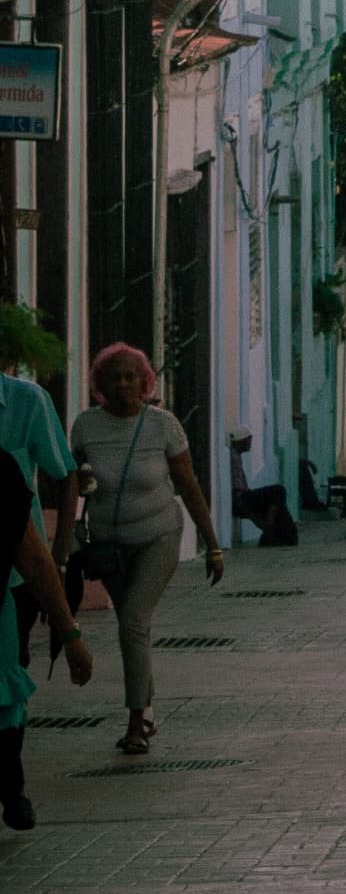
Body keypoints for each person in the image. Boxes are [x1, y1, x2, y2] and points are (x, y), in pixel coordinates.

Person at [71, 344, 223, 757]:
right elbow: (70, 481)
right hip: (108, 545)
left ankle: (137, 722)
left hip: (158, 536)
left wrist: (213, 546)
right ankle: (148, 709)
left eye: (130, 377)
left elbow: (189, 486)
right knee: (132, 627)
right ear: (100, 385)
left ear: (144, 382)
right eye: (114, 378)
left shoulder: (163, 426)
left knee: (132, 623)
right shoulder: (85, 427)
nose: (123, 385)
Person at [0, 330, 81, 831]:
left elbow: (63, 471)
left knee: (13, 672)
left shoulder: (26, 402)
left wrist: (61, 551)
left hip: (17, 567)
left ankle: (11, 785)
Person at [0, 453, 93, 830]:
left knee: (6, 713)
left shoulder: (2, 474)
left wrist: (69, 634)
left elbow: (35, 561)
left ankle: (11, 789)